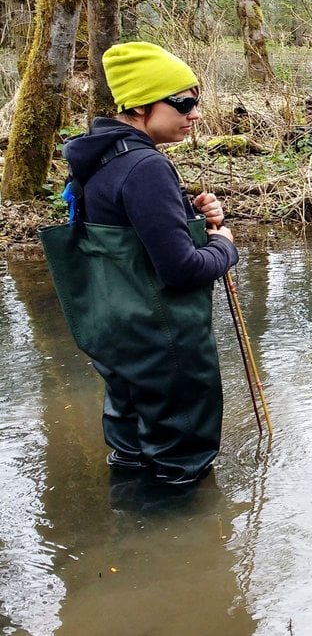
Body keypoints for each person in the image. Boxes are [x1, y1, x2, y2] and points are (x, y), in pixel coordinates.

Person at [61, 41, 237, 485]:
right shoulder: (146, 167)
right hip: (164, 345)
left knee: (131, 454)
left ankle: (132, 541)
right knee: (182, 467)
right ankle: (181, 547)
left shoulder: (95, 158)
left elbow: (131, 235)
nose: (194, 113)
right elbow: (180, 270)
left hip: (117, 338)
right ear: (141, 105)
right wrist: (224, 246)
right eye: (183, 102)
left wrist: (192, 215)